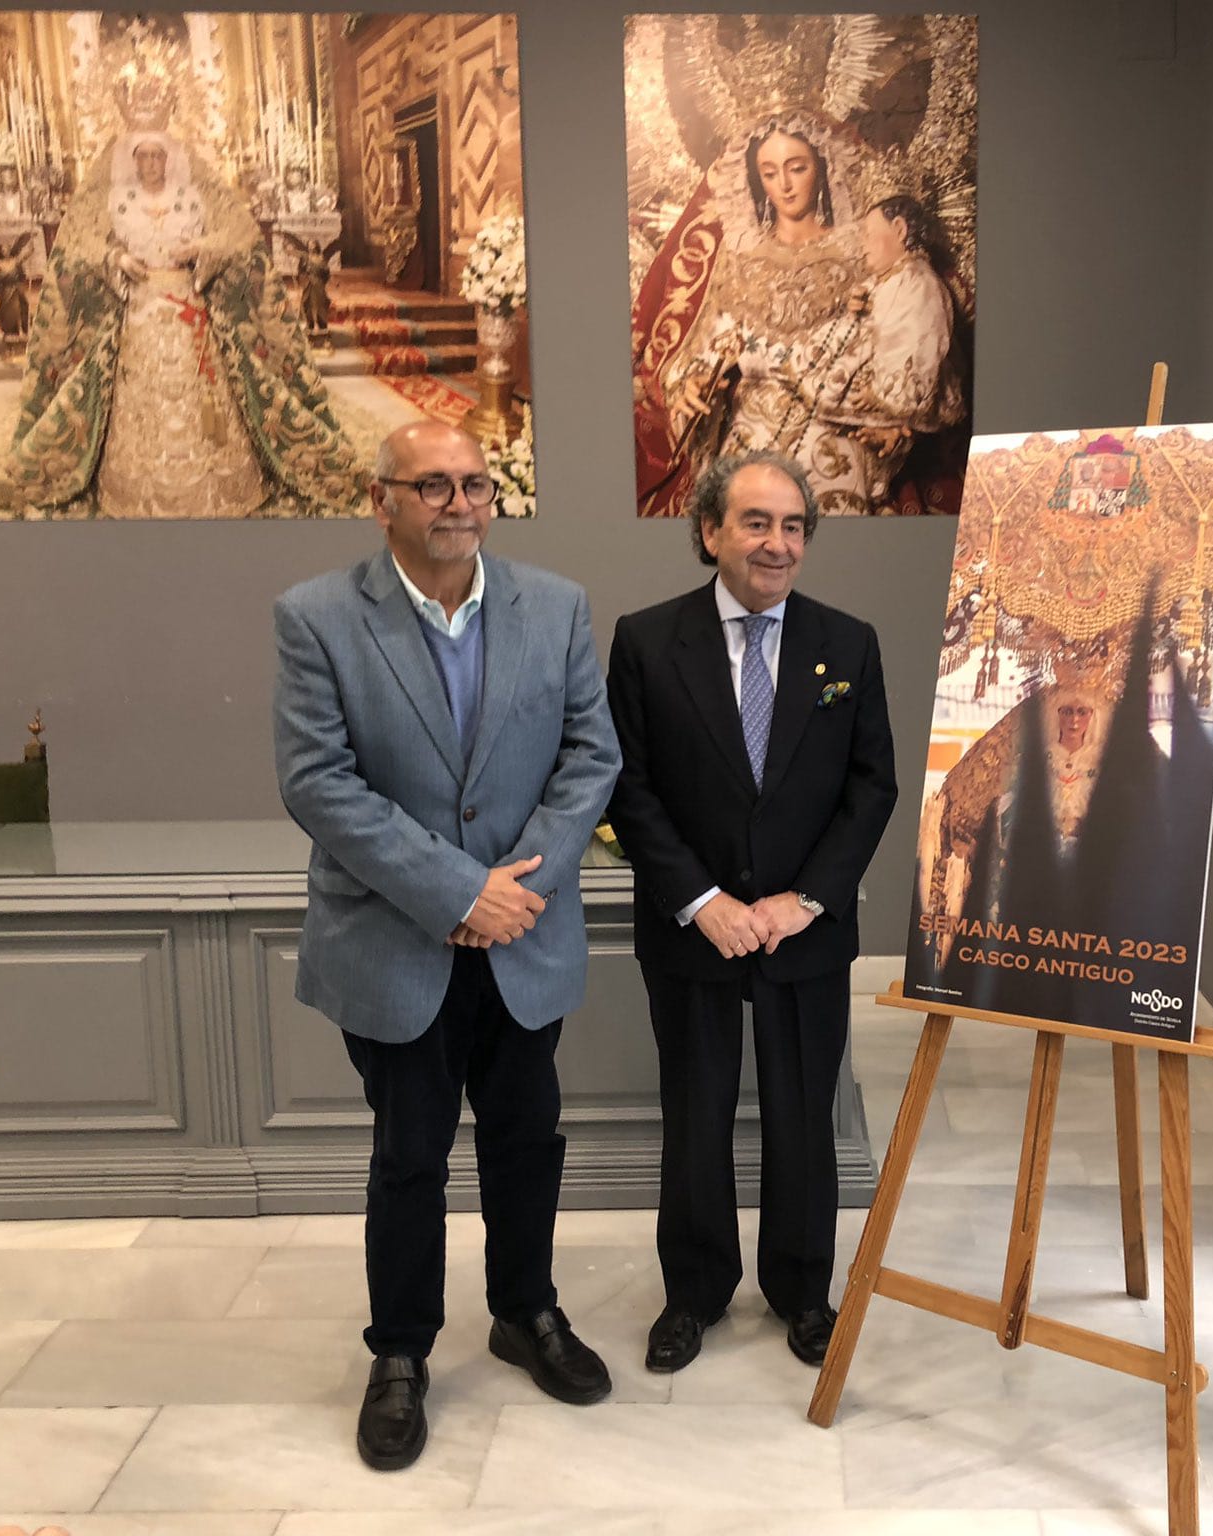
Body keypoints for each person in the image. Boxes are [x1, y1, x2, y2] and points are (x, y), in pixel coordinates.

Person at [273, 419, 622, 1470]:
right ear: (380, 498)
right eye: (431, 485)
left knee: (527, 1142)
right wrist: (457, 891)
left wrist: (521, 886)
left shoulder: (554, 607)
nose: (457, 502)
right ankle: (402, 1355)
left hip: (524, 940)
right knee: (408, 1158)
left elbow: (588, 754)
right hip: (395, 945)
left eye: (473, 483)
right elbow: (317, 782)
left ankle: (526, 1314)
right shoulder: (317, 618)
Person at [605, 450, 897, 1373]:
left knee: (803, 1114)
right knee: (694, 1113)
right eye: (757, 522)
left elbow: (871, 786)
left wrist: (804, 900)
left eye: (795, 526)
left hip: (804, 928)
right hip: (695, 929)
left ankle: (804, 1291)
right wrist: (703, 901)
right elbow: (630, 788)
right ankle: (692, 1293)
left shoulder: (848, 642)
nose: (778, 543)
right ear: (709, 532)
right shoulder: (648, 641)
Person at [0, 120, 363, 520]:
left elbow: (237, 238)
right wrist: (115, 257)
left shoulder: (191, 197)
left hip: (190, 305)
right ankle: (136, 485)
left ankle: (217, 477)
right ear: (132, 160)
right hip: (138, 308)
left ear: (169, 159)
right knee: (140, 388)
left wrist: (201, 250)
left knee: (204, 383)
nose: (152, 164)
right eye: (144, 156)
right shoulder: (116, 201)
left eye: (159, 156)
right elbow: (81, 248)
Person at [633, 116, 865, 518]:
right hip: (751, 428)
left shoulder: (858, 253)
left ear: (822, 165)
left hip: (833, 430)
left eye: (797, 168)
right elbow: (715, 343)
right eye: (770, 173)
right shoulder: (740, 256)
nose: (786, 186)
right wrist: (692, 384)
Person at [785, 194, 967, 515]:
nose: (863, 245)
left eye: (870, 234)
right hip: (849, 405)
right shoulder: (883, 282)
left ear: (899, 229)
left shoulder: (919, 283)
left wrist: (889, 404)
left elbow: (919, 351)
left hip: (888, 413)